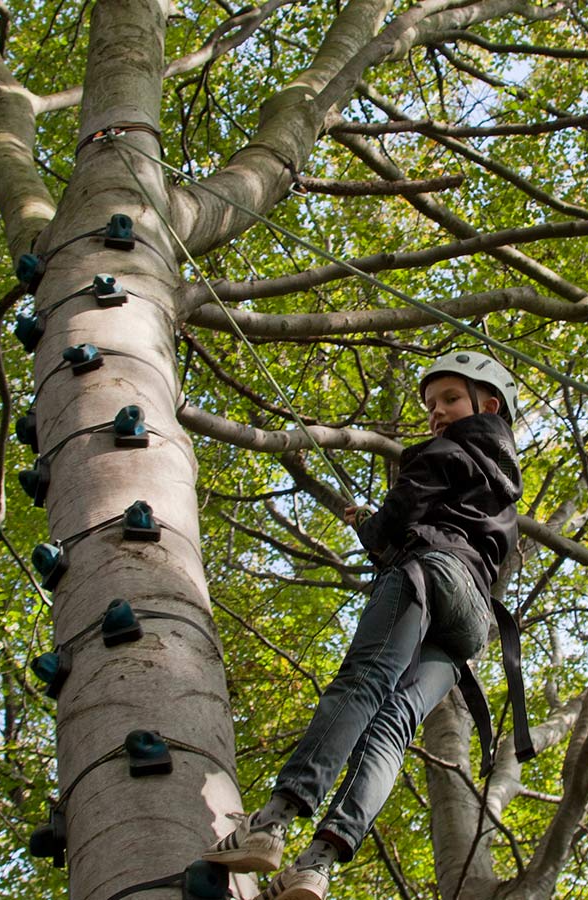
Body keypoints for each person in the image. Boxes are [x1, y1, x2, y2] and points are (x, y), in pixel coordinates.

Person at [204, 350, 525, 900]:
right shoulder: (505, 490)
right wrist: (381, 532)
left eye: (449, 398)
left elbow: (401, 515)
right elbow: (468, 546)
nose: (437, 414)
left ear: (487, 404)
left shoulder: (445, 449)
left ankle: (272, 823)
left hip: (429, 577)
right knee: (394, 726)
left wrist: (376, 529)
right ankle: (317, 864)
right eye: (430, 406)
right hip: (471, 623)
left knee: (364, 684)